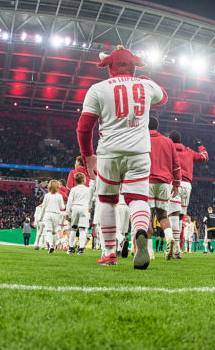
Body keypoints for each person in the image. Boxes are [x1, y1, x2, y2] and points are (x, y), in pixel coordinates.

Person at [76, 45, 167, 268]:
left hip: (108, 153)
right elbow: (163, 98)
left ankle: (109, 254)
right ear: (134, 66)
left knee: (107, 200)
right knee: (138, 199)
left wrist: (88, 156)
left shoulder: (97, 89)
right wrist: (148, 80)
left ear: (109, 66)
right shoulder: (145, 85)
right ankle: (139, 233)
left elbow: (84, 127)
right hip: (139, 152)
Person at [146, 116, 182, 260]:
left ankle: (149, 252)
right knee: (162, 215)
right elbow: (177, 164)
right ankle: (169, 237)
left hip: (147, 181)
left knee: (146, 216)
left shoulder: (142, 139)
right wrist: (176, 183)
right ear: (157, 126)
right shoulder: (168, 142)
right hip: (165, 182)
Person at [170, 130, 209, 258]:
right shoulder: (189, 151)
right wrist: (200, 145)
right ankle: (178, 250)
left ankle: (174, 247)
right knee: (181, 219)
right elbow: (204, 157)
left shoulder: (169, 150)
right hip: (187, 186)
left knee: (172, 216)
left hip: (174, 184)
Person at [66, 172, 93, 255]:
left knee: (73, 229)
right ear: (84, 180)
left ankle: (70, 248)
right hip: (84, 208)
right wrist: (89, 208)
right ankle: (81, 249)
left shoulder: (73, 189)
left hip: (75, 208)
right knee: (82, 229)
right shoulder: (88, 189)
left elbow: (70, 201)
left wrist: (67, 213)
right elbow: (90, 200)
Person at [37, 180, 66, 254]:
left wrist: (40, 217)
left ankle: (51, 246)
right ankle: (53, 246)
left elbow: (43, 207)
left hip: (48, 214)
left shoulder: (47, 195)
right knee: (54, 232)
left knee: (48, 231)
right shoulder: (59, 196)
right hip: (56, 215)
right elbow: (62, 207)